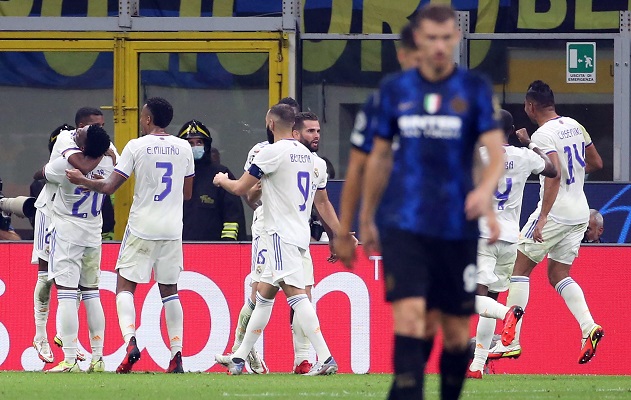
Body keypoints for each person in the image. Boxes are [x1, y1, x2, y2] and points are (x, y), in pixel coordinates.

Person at [359, 5, 505, 399]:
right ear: (418, 41)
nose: (439, 46)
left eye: (446, 38)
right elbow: (381, 156)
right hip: (404, 223)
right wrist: (367, 216)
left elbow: (490, 153)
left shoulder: (474, 88)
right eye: (431, 38)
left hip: (456, 226)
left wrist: (484, 198)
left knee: (455, 330)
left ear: (455, 40)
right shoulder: (395, 91)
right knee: (410, 319)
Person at [66, 97, 195, 373]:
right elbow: (187, 193)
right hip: (172, 229)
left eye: (142, 116)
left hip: (142, 227)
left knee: (125, 287)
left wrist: (82, 181)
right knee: (170, 291)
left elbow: (110, 187)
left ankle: (130, 342)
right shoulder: (184, 147)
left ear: (148, 119)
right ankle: (177, 355)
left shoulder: (136, 146)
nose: (140, 120)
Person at [214, 104, 337, 376]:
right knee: (264, 296)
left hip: (279, 233)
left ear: (270, 123)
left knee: (297, 297)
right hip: (297, 232)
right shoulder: (307, 156)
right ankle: (239, 358)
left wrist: (222, 179)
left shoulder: (270, 152)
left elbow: (240, 189)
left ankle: (326, 356)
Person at [489, 80, 604, 365]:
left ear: (530, 106)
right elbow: (596, 162)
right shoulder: (575, 125)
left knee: (518, 266)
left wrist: (542, 218)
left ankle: (511, 341)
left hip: (555, 213)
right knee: (558, 275)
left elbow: (552, 175)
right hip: (580, 212)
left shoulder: (542, 135)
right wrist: (574, 175)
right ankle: (588, 327)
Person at [466, 109, 557, 379]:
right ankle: (477, 366)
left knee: (474, 299)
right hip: (509, 239)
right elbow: (552, 170)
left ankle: (509, 314)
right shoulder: (524, 156)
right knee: (489, 300)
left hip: (484, 234)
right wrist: (530, 143)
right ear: (510, 129)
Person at [334, 21, 421, 267]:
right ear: (402, 56)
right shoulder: (383, 103)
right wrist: (361, 220)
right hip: (402, 223)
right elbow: (360, 166)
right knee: (411, 304)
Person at [31, 108, 112, 365]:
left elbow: (40, 175)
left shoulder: (66, 167)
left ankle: (68, 356)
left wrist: (79, 175)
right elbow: (116, 174)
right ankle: (97, 358)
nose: (78, 133)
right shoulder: (110, 160)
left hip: (66, 229)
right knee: (91, 293)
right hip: (90, 231)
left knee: (65, 293)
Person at [228, 97, 301, 375]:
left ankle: (243, 351)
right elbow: (249, 195)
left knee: (293, 292)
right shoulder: (260, 150)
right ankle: (245, 352)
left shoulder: (301, 152)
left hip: (293, 227)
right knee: (259, 290)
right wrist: (257, 191)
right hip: (266, 226)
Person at [178, 120, 246, 241]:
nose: (195, 147)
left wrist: (227, 245)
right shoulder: (175, 175)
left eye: (199, 142)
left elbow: (233, 216)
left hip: (212, 251)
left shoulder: (221, 174)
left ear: (207, 145)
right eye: (190, 143)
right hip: (178, 249)